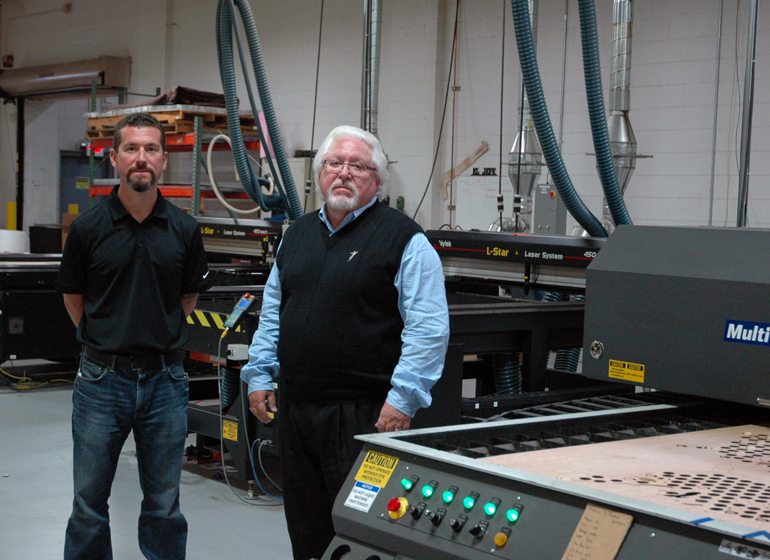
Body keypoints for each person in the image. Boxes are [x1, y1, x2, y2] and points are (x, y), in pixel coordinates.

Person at [241, 125, 450, 560]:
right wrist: (259, 372)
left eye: (358, 166)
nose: (344, 173)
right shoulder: (295, 235)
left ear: (377, 179)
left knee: (364, 533)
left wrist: (404, 398)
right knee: (306, 527)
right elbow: (273, 311)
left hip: (364, 415)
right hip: (297, 411)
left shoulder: (406, 240)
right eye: (335, 163)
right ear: (319, 174)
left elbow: (428, 328)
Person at [57, 112, 212, 560]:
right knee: (88, 504)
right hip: (102, 382)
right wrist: (104, 338)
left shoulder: (184, 230)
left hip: (166, 382)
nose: (140, 158)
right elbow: (73, 297)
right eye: (131, 149)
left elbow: (187, 298)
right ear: (114, 158)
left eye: (150, 149)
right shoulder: (87, 229)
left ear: (163, 160)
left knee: (164, 504)